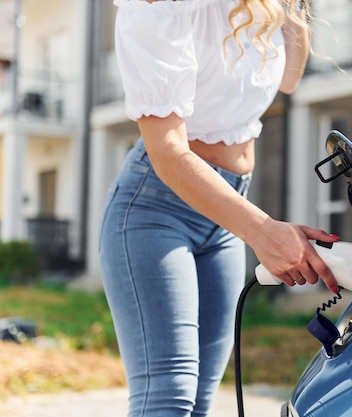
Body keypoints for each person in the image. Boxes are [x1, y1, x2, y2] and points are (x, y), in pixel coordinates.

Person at [99, 1, 339, 416]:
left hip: (225, 214)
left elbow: (289, 78)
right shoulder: (158, 9)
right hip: (156, 210)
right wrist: (263, 231)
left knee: (200, 401)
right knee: (169, 396)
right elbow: (170, 153)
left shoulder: (256, 7)